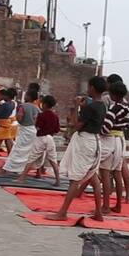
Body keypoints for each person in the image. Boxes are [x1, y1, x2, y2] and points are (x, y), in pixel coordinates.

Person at [47, 79, 109, 222]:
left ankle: (62, 212)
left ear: (92, 88)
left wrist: (76, 107)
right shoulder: (102, 105)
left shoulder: (91, 107)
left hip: (85, 142)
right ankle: (99, 212)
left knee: (75, 179)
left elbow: (76, 125)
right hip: (94, 141)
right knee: (92, 177)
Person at [98, 81, 129, 213]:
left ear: (113, 94)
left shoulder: (113, 109)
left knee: (105, 173)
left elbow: (106, 128)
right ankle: (118, 204)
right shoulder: (127, 109)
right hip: (120, 140)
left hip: (110, 140)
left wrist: (99, 132)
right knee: (117, 173)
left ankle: (106, 206)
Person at [17, 94, 61, 186]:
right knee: (53, 159)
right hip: (50, 138)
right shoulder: (55, 116)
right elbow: (57, 130)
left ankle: (22, 178)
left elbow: (37, 127)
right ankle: (58, 180)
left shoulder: (41, 115)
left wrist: (36, 121)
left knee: (32, 158)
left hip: (41, 138)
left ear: (44, 104)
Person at [2, 89, 40, 175]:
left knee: (17, 150)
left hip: (25, 129)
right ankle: (22, 168)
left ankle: (8, 168)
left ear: (29, 96)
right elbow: (37, 119)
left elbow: (19, 117)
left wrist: (20, 121)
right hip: (33, 131)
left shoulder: (23, 106)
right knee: (28, 152)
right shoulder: (37, 108)